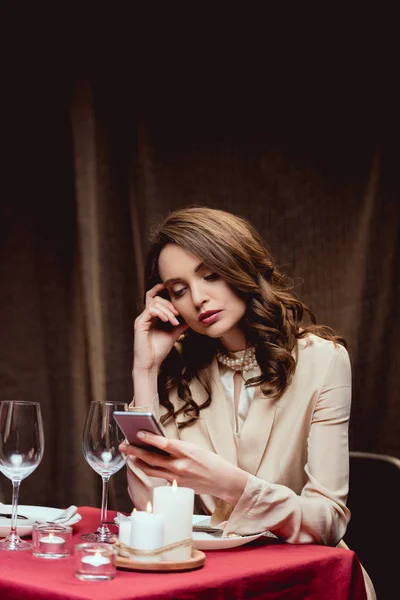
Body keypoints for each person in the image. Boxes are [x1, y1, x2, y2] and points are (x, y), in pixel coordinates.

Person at [120, 206, 375, 599]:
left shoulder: (322, 361)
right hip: (213, 577)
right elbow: (151, 501)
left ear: (241, 267)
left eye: (211, 275)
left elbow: (328, 522)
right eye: (179, 290)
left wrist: (233, 486)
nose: (199, 299)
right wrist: (146, 369)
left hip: (304, 581)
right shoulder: (186, 373)